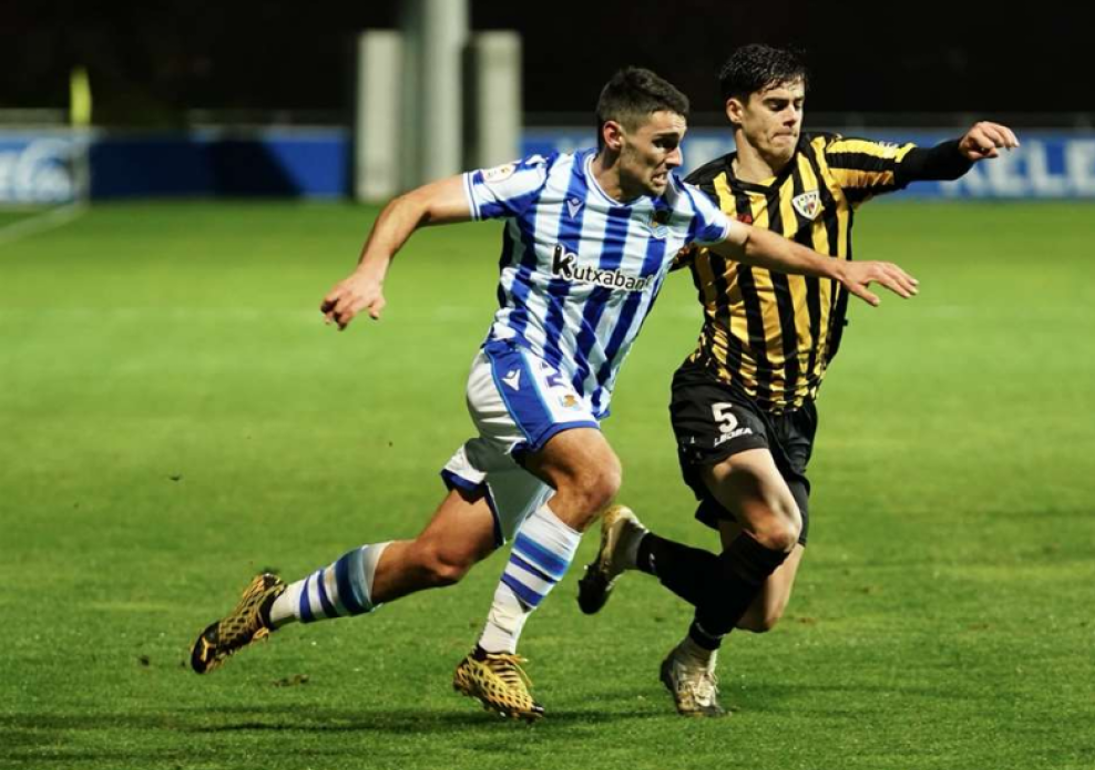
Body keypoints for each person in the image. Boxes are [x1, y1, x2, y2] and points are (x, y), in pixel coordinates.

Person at [188, 66, 919, 721]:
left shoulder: (675, 208)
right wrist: (371, 270)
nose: (676, 159)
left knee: (436, 560)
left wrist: (835, 268)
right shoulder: (542, 183)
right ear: (614, 135)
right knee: (597, 475)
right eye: (662, 144)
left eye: (679, 143)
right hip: (514, 370)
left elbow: (752, 242)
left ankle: (268, 608)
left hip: (567, 408)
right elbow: (415, 203)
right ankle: (492, 653)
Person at [576, 45, 1019, 717]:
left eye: (798, 104)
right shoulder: (700, 199)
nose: (792, 117)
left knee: (759, 609)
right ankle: (691, 660)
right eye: (776, 106)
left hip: (794, 414)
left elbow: (918, 163)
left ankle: (636, 547)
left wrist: (963, 146)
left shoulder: (832, 164)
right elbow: (631, 268)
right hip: (717, 393)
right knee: (776, 526)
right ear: (737, 111)